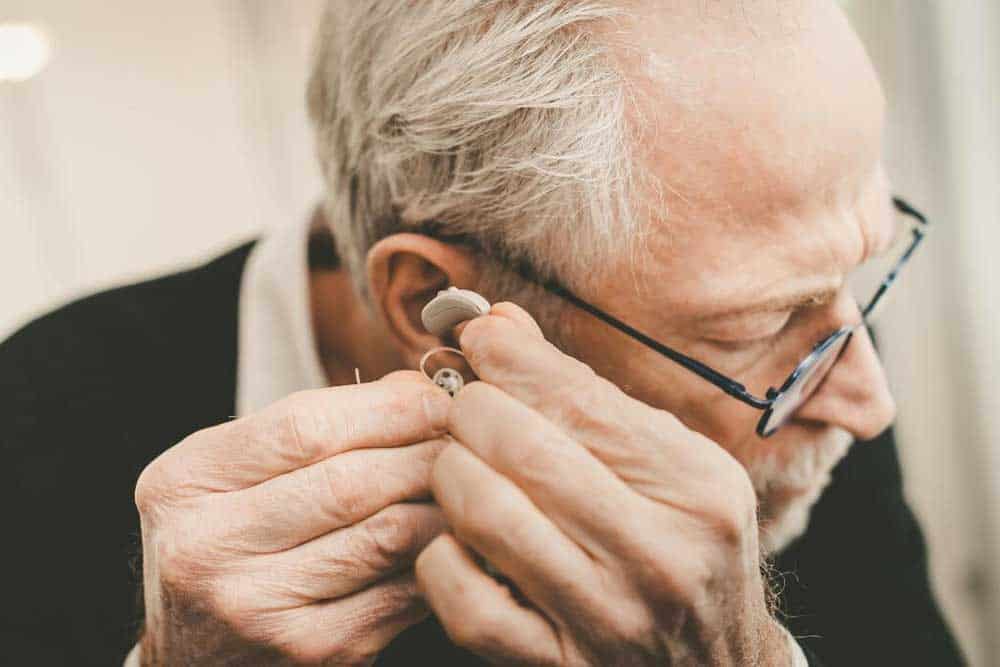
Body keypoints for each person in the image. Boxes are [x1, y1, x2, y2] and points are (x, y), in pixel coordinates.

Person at [0, 1, 966, 665]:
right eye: (764, 322)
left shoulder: (807, 395)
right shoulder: (34, 421)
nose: (871, 401)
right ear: (436, 304)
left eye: (857, 277)